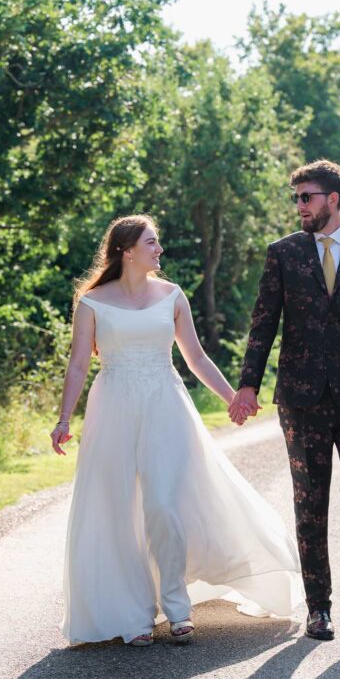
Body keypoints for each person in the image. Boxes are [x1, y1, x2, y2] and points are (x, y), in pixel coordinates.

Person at [51, 214, 302, 647]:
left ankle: (177, 606)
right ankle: (132, 614)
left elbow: (197, 358)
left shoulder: (172, 296)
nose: (159, 250)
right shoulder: (92, 302)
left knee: (164, 505)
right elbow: (78, 364)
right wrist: (62, 419)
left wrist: (233, 398)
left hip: (165, 404)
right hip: (112, 405)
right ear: (127, 250)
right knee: (117, 507)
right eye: (152, 243)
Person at [229, 160, 340, 641]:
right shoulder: (282, 254)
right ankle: (319, 609)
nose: (300, 206)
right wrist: (248, 384)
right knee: (310, 504)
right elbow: (264, 322)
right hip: (301, 397)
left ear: (333, 199)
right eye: (297, 198)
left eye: (307, 197)